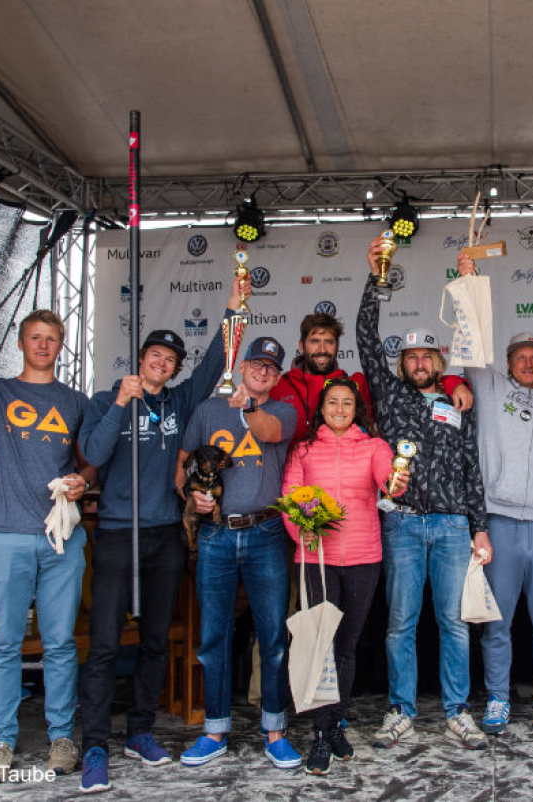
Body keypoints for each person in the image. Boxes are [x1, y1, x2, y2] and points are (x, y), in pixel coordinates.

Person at [75, 276, 249, 793]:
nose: (163, 363)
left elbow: (216, 363)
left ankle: (142, 731)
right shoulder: (109, 399)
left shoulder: (179, 404)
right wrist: (122, 404)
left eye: (171, 360)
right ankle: (95, 745)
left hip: (163, 537)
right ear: (141, 359)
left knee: (154, 639)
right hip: (114, 535)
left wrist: (233, 312)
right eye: (155, 354)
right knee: (105, 644)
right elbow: (95, 455)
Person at [0, 292, 94, 782]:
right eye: (35, 337)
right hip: (5, 532)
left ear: (62, 346)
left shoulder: (76, 402)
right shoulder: (0, 391)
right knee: (4, 643)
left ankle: (61, 737)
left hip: (60, 539)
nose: (43, 345)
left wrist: (83, 481)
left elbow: (91, 460)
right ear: (22, 343)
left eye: (52, 339)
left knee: (60, 644)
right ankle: (2, 739)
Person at [358, 235, 491, 751]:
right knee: (399, 624)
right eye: (410, 356)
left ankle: (458, 712)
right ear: (402, 364)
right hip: (404, 523)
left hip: (455, 526)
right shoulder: (389, 399)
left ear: (439, 361)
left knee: (455, 626)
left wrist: (479, 524)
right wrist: (377, 279)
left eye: (426, 355)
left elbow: (470, 466)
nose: (418, 362)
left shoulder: (459, 401)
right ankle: (401, 711)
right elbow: (367, 338)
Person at [448, 255, 533, 737]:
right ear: (507, 364)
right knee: (497, 623)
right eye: (520, 357)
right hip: (498, 521)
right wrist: (467, 280)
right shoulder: (487, 385)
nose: (528, 362)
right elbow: (471, 338)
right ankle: (499, 699)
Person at [175, 336, 301, 770]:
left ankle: (275, 731)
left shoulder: (282, 409)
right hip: (215, 535)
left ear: (278, 377)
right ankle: (215, 730)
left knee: (272, 637)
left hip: (266, 532)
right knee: (214, 638)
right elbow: (183, 466)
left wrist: (247, 405)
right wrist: (194, 495)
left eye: (271, 368)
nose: (263, 372)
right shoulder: (209, 410)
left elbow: (266, 432)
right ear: (242, 365)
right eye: (257, 364)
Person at [281, 378, 410, 775]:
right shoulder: (303, 449)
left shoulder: (374, 446)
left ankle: (336, 724)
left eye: (347, 403)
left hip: (362, 557)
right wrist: (297, 529)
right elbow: (290, 497)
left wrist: (396, 481)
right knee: (319, 645)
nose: (339, 408)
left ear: (357, 410)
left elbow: (387, 479)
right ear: (321, 408)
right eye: (332, 402)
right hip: (315, 558)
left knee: (346, 647)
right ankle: (320, 734)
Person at [272, 311, 472, 443]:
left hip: (344, 487)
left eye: (329, 342)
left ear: (337, 346)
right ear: (301, 345)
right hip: (291, 485)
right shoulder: (278, 385)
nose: (322, 349)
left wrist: (454, 383)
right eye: (315, 341)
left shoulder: (356, 384)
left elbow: (413, 387)